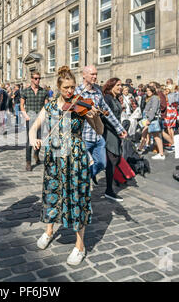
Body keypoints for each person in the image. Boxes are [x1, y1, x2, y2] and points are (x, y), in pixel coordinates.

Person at [30, 66, 104, 266]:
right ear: (58, 87)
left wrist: (95, 115)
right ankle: (49, 231)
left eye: (72, 87)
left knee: (77, 196)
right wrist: (33, 139)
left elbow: (99, 130)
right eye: (66, 88)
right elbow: (35, 125)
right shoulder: (52, 105)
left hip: (76, 156)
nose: (70, 92)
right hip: (54, 157)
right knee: (53, 192)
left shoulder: (81, 106)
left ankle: (80, 246)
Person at [75, 66, 127, 185]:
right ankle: (81, 187)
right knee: (82, 166)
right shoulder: (77, 92)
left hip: (98, 136)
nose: (95, 77)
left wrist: (119, 128)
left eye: (96, 74)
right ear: (84, 75)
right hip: (84, 136)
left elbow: (107, 112)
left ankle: (85, 180)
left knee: (102, 163)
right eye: (92, 74)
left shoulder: (98, 92)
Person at [21, 71, 49, 171]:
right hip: (30, 118)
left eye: (39, 78)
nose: (38, 80)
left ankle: (36, 155)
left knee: (39, 139)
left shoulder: (44, 91)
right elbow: (22, 105)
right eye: (36, 78)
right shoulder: (25, 91)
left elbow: (46, 106)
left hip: (40, 119)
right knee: (29, 141)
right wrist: (25, 115)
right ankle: (28, 162)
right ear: (32, 79)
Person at [102, 78, 125, 202]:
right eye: (118, 85)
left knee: (115, 158)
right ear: (111, 86)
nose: (120, 87)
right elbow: (106, 117)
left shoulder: (115, 98)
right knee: (112, 159)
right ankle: (109, 190)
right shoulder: (107, 98)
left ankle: (112, 182)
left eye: (121, 85)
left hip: (117, 131)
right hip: (110, 132)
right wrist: (117, 130)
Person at [137, 85, 165, 160]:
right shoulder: (151, 98)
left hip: (152, 119)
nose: (147, 92)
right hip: (149, 118)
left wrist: (149, 119)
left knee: (156, 136)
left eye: (149, 90)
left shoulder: (155, 98)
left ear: (153, 91)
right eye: (147, 91)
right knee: (145, 132)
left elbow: (153, 109)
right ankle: (140, 148)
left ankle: (161, 154)